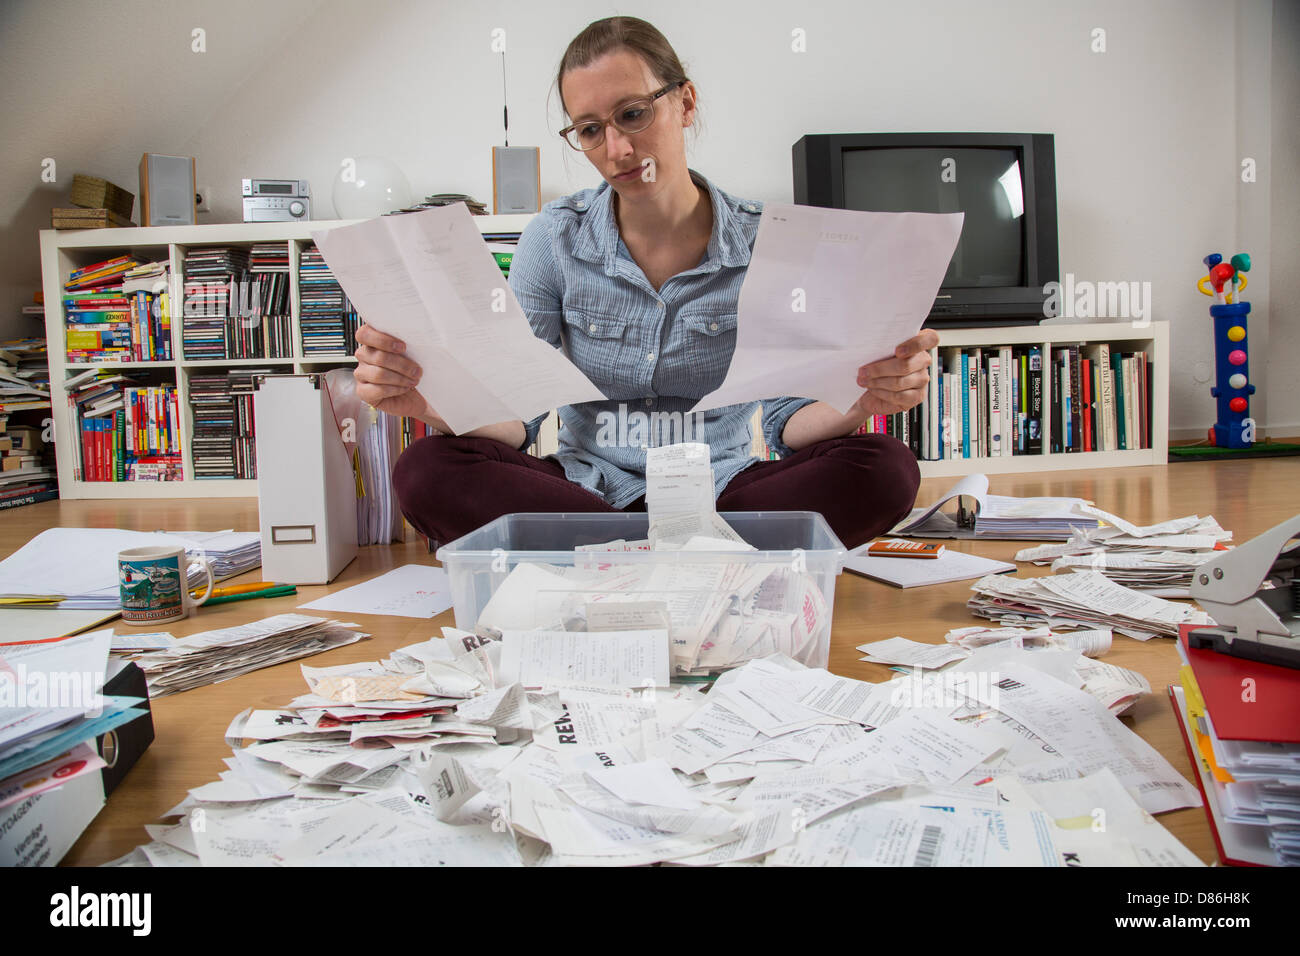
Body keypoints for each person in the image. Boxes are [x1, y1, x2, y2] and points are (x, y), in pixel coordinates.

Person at [353, 15, 939, 550]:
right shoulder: (553, 240)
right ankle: (670, 554)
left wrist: (864, 400)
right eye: (588, 130)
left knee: (886, 468)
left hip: (724, 491)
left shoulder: (767, 243)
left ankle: (612, 557)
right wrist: (432, 402)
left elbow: (789, 422)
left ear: (685, 102)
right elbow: (517, 419)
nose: (617, 150)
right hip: (587, 493)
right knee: (425, 471)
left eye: (633, 113)